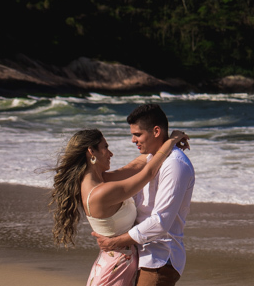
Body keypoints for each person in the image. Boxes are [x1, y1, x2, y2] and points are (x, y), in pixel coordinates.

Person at [50, 125, 188, 286]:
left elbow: (136, 166)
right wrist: (172, 140)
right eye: (105, 147)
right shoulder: (101, 192)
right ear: (91, 152)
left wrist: (163, 143)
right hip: (115, 271)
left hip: (117, 266)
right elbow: (148, 173)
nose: (110, 153)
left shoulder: (101, 181)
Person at [92, 104, 196, 286]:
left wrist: (115, 242)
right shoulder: (151, 160)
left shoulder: (175, 165)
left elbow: (160, 222)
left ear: (156, 131)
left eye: (137, 134)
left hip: (160, 258)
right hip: (141, 255)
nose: (133, 140)